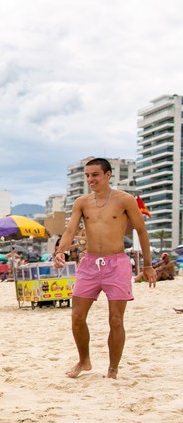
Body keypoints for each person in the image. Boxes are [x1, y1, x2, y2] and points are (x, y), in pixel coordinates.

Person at [54, 158, 156, 379]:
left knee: (116, 319)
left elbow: (141, 231)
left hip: (116, 264)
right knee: (77, 316)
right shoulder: (82, 202)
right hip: (89, 264)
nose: (90, 179)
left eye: (95, 175)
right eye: (87, 176)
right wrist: (60, 250)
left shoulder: (125, 200)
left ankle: (113, 368)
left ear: (108, 175)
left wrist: (148, 265)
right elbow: (71, 229)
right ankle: (84, 361)